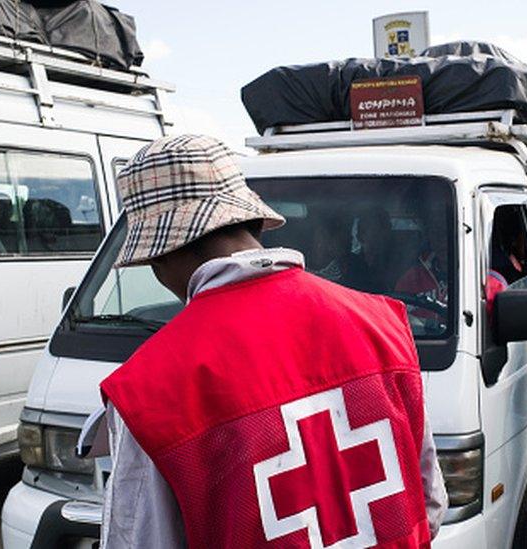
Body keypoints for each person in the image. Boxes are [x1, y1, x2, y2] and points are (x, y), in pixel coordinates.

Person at [97, 135, 447, 548]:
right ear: (254, 223)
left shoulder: (148, 392)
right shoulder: (382, 324)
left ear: (160, 253)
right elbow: (430, 504)